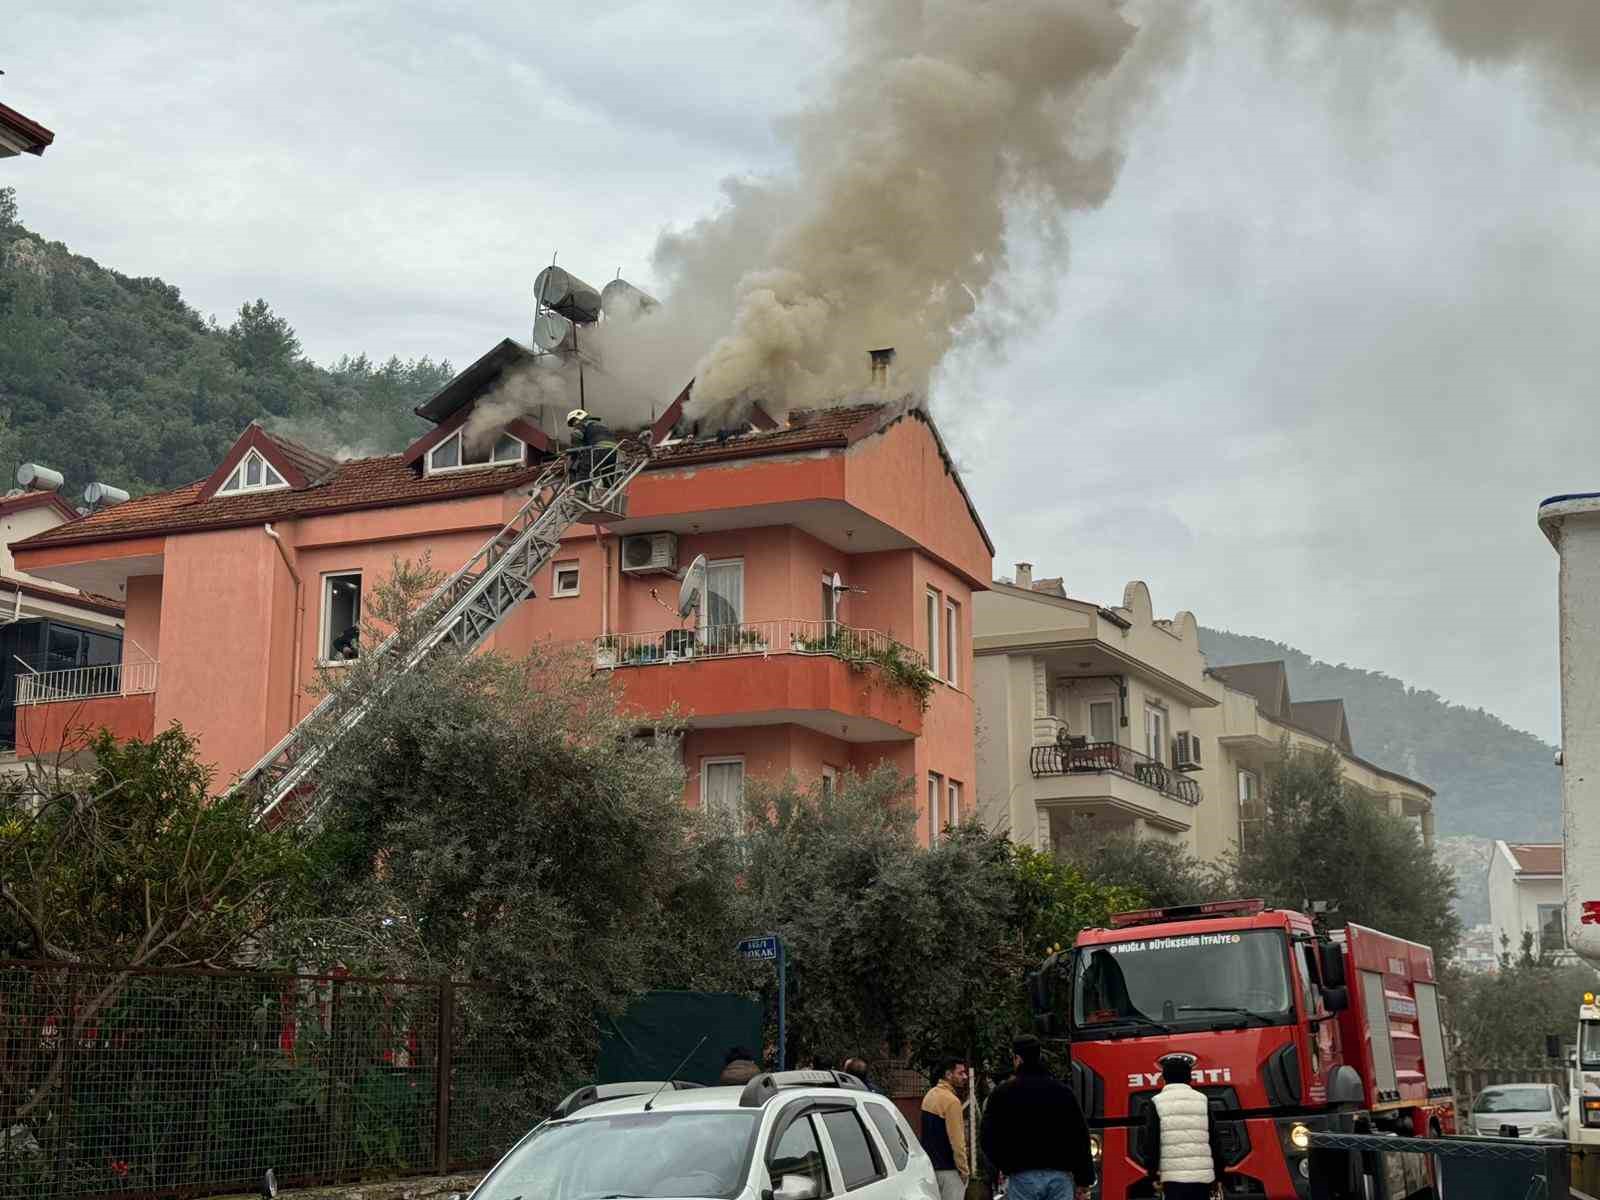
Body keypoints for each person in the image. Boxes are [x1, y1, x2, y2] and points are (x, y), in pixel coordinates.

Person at [979, 1036, 1095, 1200]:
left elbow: (987, 1137)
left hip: (1022, 1178)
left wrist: (1006, 1165)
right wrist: (1084, 1180)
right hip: (1060, 1178)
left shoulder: (1002, 1094)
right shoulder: (1063, 1092)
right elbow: (1080, 1137)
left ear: (1017, 1059)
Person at [1141, 1054, 1226, 1199]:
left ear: (1164, 1078)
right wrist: (1219, 1176)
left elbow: (1152, 1142)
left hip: (1173, 1179)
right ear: (1189, 1077)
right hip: (1202, 1177)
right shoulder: (1202, 1099)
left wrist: (1152, 1174)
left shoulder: (1156, 1102)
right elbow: (1214, 1141)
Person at [921, 1058, 971, 1200]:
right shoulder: (951, 1101)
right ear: (949, 1075)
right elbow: (957, 1142)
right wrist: (964, 1171)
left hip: (931, 1169)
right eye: (960, 1073)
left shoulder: (929, 1095)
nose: (965, 1077)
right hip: (949, 1171)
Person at [566, 408, 617, 494]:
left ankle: (580, 492)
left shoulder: (582, 424)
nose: (574, 425)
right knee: (608, 475)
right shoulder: (601, 425)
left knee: (584, 469)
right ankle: (610, 494)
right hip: (614, 452)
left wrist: (573, 452)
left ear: (579, 418)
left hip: (599, 450)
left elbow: (576, 436)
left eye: (574, 421)